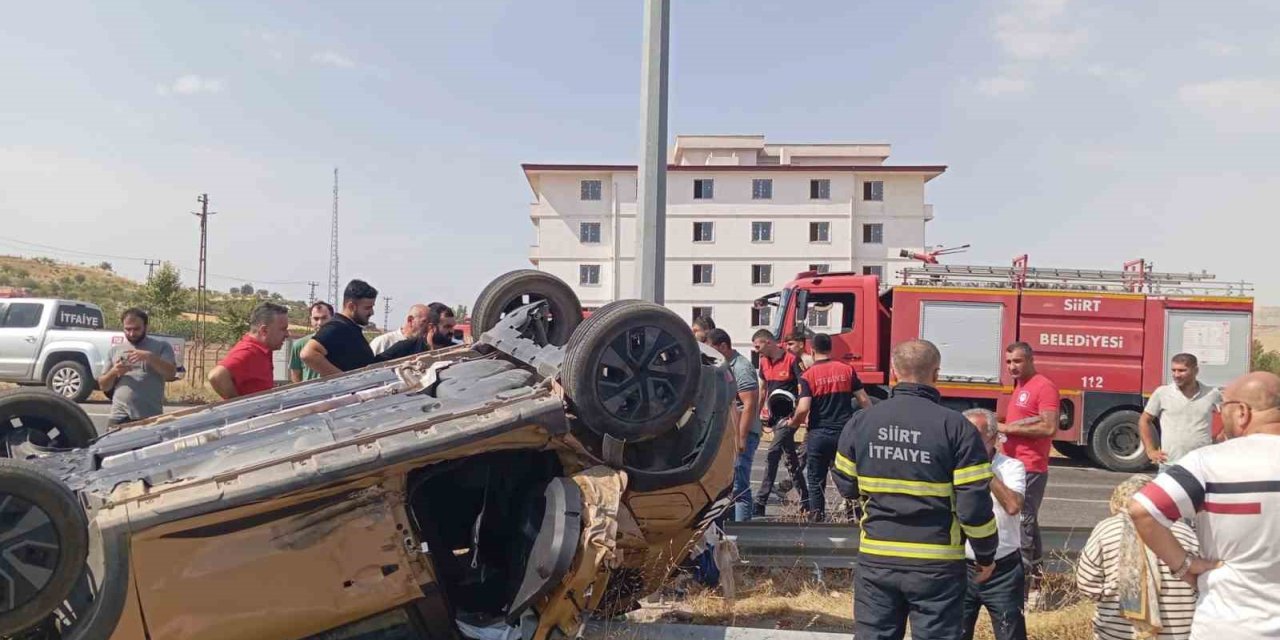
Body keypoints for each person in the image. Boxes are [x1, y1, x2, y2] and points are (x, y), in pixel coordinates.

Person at [832, 339, 998, 640]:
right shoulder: (957, 428)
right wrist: (986, 555)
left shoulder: (862, 421)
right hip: (937, 563)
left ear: (893, 373)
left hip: (877, 558)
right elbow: (974, 506)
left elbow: (846, 484)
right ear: (936, 374)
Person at [1129, 371, 1280, 639]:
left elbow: (1143, 510)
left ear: (1242, 412)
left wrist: (1184, 565)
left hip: (1228, 624)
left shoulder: (1207, 463)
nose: (1220, 416)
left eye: (1223, 408)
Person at [1078, 475, 1198, 640]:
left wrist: (1112, 595)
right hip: (1179, 634)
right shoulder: (1185, 532)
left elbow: (1087, 585)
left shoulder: (1106, 529)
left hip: (1117, 633)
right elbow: (1202, 584)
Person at [998, 342, 1059, 602]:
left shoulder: (1043, 386)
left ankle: (1024, 591)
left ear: (1031, 359)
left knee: (1023, 524)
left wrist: (1008, 429)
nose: (1012, 366)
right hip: (1013, 464)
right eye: (1009, 362)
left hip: (1030, 466)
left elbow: (1049, 428)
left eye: (1018, 361)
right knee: (1027, 522)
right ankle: (1036, 581)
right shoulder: (1020, 386)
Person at [960, 408, 1027, 640]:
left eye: (974, 436)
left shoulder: (1011, 467)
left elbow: (1012, 505)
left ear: (993, 436)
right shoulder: (952, 467)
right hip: (962, 567)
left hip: (1003, 569)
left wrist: (982, 469)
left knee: (1011, 632)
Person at [791, 332, 870, 521]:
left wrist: (792, 425)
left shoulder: (808, 375)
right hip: (844, 434)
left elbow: (803, 408)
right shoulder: (847, 370)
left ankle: (817, 517)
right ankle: (855, 515)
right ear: (831, 348)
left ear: (812, 350)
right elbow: (864, 401)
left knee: (816, 479)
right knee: (848, 476)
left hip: (819, 434)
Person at [752, 329, 809, 516]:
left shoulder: (792, 360)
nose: (756, 350)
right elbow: (762, 390)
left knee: (772, 453)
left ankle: (760, 501)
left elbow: (803, 390)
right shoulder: (763, 363)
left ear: (768, 342)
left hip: (788, 417)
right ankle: (806, 499)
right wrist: (757, 415)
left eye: (758, 346)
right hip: (774, 417)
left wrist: (796, 417)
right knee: (791, 459)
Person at [706, 328, 762, 522]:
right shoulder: (724, 365)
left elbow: (749, 404)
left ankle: (742, 534)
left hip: (742, 433)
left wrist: (741, 438)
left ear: (723, 346)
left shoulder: (741, 367)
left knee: (739, 485)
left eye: (713, 348)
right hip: (730, 433)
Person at [1140, 353, 1222, 472]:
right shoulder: (1162, 393)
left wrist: (1218, 440)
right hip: (1169, 465)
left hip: (1200, 466)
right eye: (1174, 370)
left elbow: (1229, 418)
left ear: (1196, 371)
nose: (1176, 375)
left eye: (1182, 370)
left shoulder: (1212, 393)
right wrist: (1150, 450)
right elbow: (1144, 420)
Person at [96, 308, 177, 426]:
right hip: (119, 416)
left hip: (150, 417)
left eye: (136, 329)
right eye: (128, 329)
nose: (132, 333)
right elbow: (103, 385)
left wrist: (149, 357)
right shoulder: (115, 350)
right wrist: (113, 372)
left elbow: (171, 373)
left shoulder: (161, 347)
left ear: (146, 327)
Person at [208, 302, 290, 399]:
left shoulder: (263, 350)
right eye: (283, 329)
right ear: (264, 330)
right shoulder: (249, 352)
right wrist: (238, 405)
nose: (287, 334)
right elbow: (216, 376)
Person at [301, 279, 379, 375]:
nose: (372, 312)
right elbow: (308, 354)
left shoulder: (350, 328)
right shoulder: (337, 327)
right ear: (351, 307)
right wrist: (344, 380)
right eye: (367, 308)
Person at [289, 301, 333, 383]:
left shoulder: (342, 342)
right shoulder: (299, 345)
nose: (320, 323)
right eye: (316, 319)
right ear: (311, 320)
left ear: (332, 318)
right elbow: (295, 376)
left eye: (324, 318)